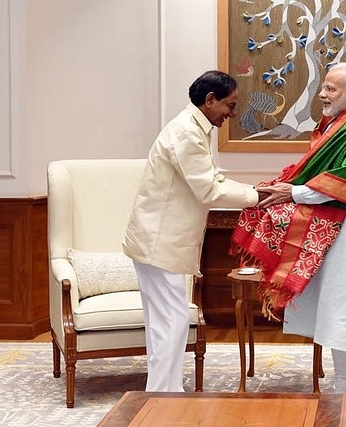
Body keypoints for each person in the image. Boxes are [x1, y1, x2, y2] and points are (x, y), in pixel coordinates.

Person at [230, 62, 346, 427]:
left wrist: (295, 191)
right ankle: (344, 392)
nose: (322, 93)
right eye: (323, 87)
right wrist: (288, 189)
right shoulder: (333, 124)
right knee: (336, 309)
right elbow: (319, 173)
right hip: (331, 230)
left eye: (332, 89)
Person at [123, 70, 265, 392]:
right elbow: (209, 190)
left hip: (159, 242)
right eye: (230, 105)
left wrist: (253, 191)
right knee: (172, 322)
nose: (233, 113)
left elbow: (208, 178)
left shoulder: (196, 128)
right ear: (210, 100)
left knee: (164, 324)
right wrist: (257, 196)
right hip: (159, 243)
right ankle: (160, 397)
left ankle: (166, 393)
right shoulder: (187, 132)